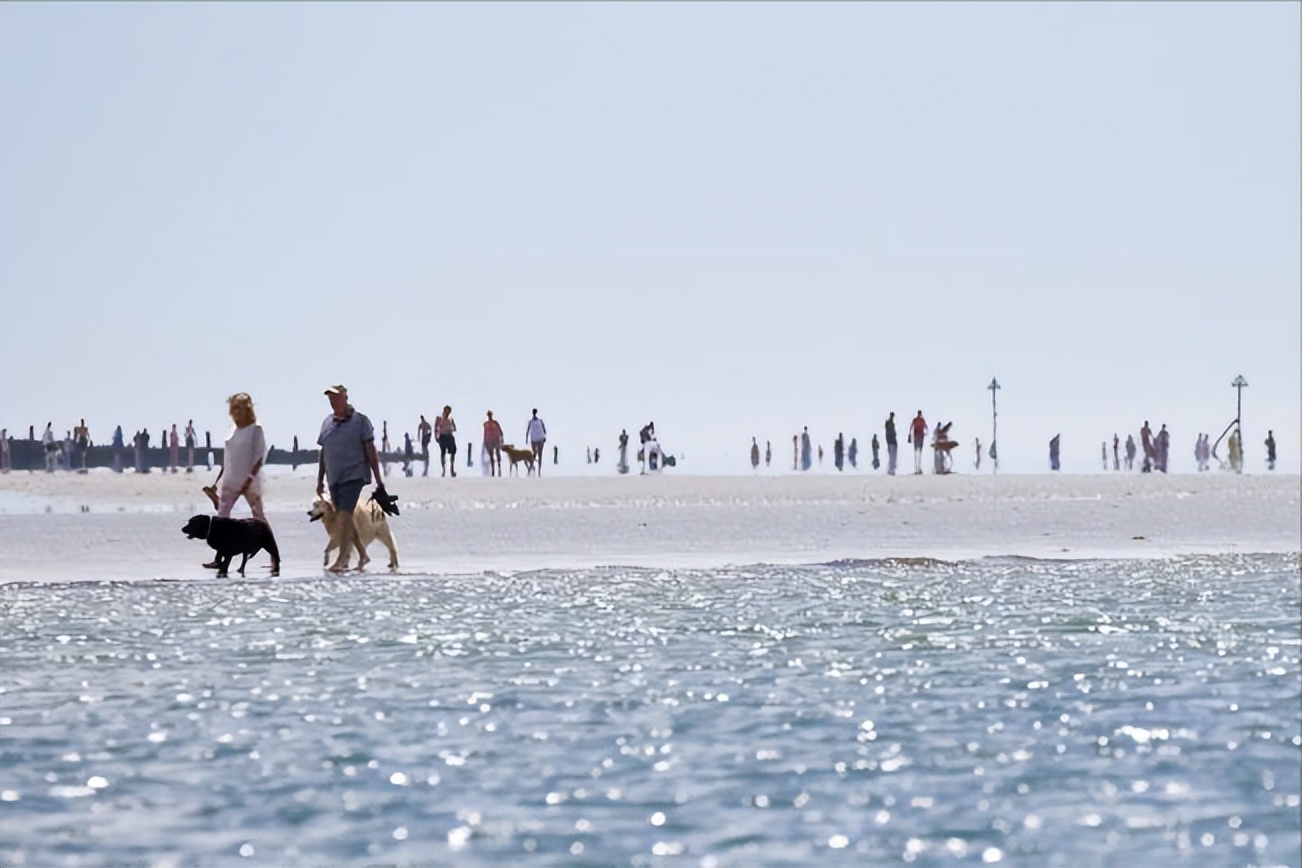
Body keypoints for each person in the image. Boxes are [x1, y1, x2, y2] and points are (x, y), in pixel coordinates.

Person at [317, 384, 388, 572]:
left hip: (354, 475)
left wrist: (378, 478)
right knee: (344, 517)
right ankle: (363, 555)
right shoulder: (327, 423)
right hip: (334, 478)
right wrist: (319, 480)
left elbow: (371, 451)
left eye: (336, 398)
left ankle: (343, 559)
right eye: (330, 399)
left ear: (345, 398)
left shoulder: (361, 421)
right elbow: (323, 453)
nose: (333, 402)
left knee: (345, 514)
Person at [204, 393, 274, 563]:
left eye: (239, 409)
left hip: (250, 482)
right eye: (233, 409)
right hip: (230, 480)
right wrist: (216, 482)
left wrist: (249, 480)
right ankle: (219, 557)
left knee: (259, 517)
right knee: (221, 519)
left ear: (247, 410)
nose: (235, 413)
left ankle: (274, 556)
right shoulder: (233, 430)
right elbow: (227, 460)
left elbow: (259, 458)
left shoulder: (256, 429)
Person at [435, 405, 457, 477]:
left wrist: (450, 429)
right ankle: (443, 469)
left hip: (449, 436)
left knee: (453, 451)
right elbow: (436, 428)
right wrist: (436, 437)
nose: (448, 413)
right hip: (443, 436)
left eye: (449, 411)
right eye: (447, 411)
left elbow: (454, 428)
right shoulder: (439, 418)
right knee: (443, 452)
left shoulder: (450, 419)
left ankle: (452, 468)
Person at [483, 410, 504, 477]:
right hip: (489, 440)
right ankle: (493, 470)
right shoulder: (485, 424)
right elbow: (485, 433)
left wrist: (501, 440)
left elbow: (500, 431)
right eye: (488, 415)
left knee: (497, 453)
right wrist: (485, 442)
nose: (489, 416)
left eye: (490, 415)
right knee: (491, 455)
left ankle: (499, 468)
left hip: (496, 439)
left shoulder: (495, 423)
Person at [526, 409, 547, 475]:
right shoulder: (531, 422)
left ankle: (539, 471)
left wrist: (544, 437)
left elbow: (544, 430)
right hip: (534, 439)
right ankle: (532, 468)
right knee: (534, 455)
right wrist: (526, 439)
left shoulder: (540, 421)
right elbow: (528, 431)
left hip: (540, 439)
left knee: (539, 454)